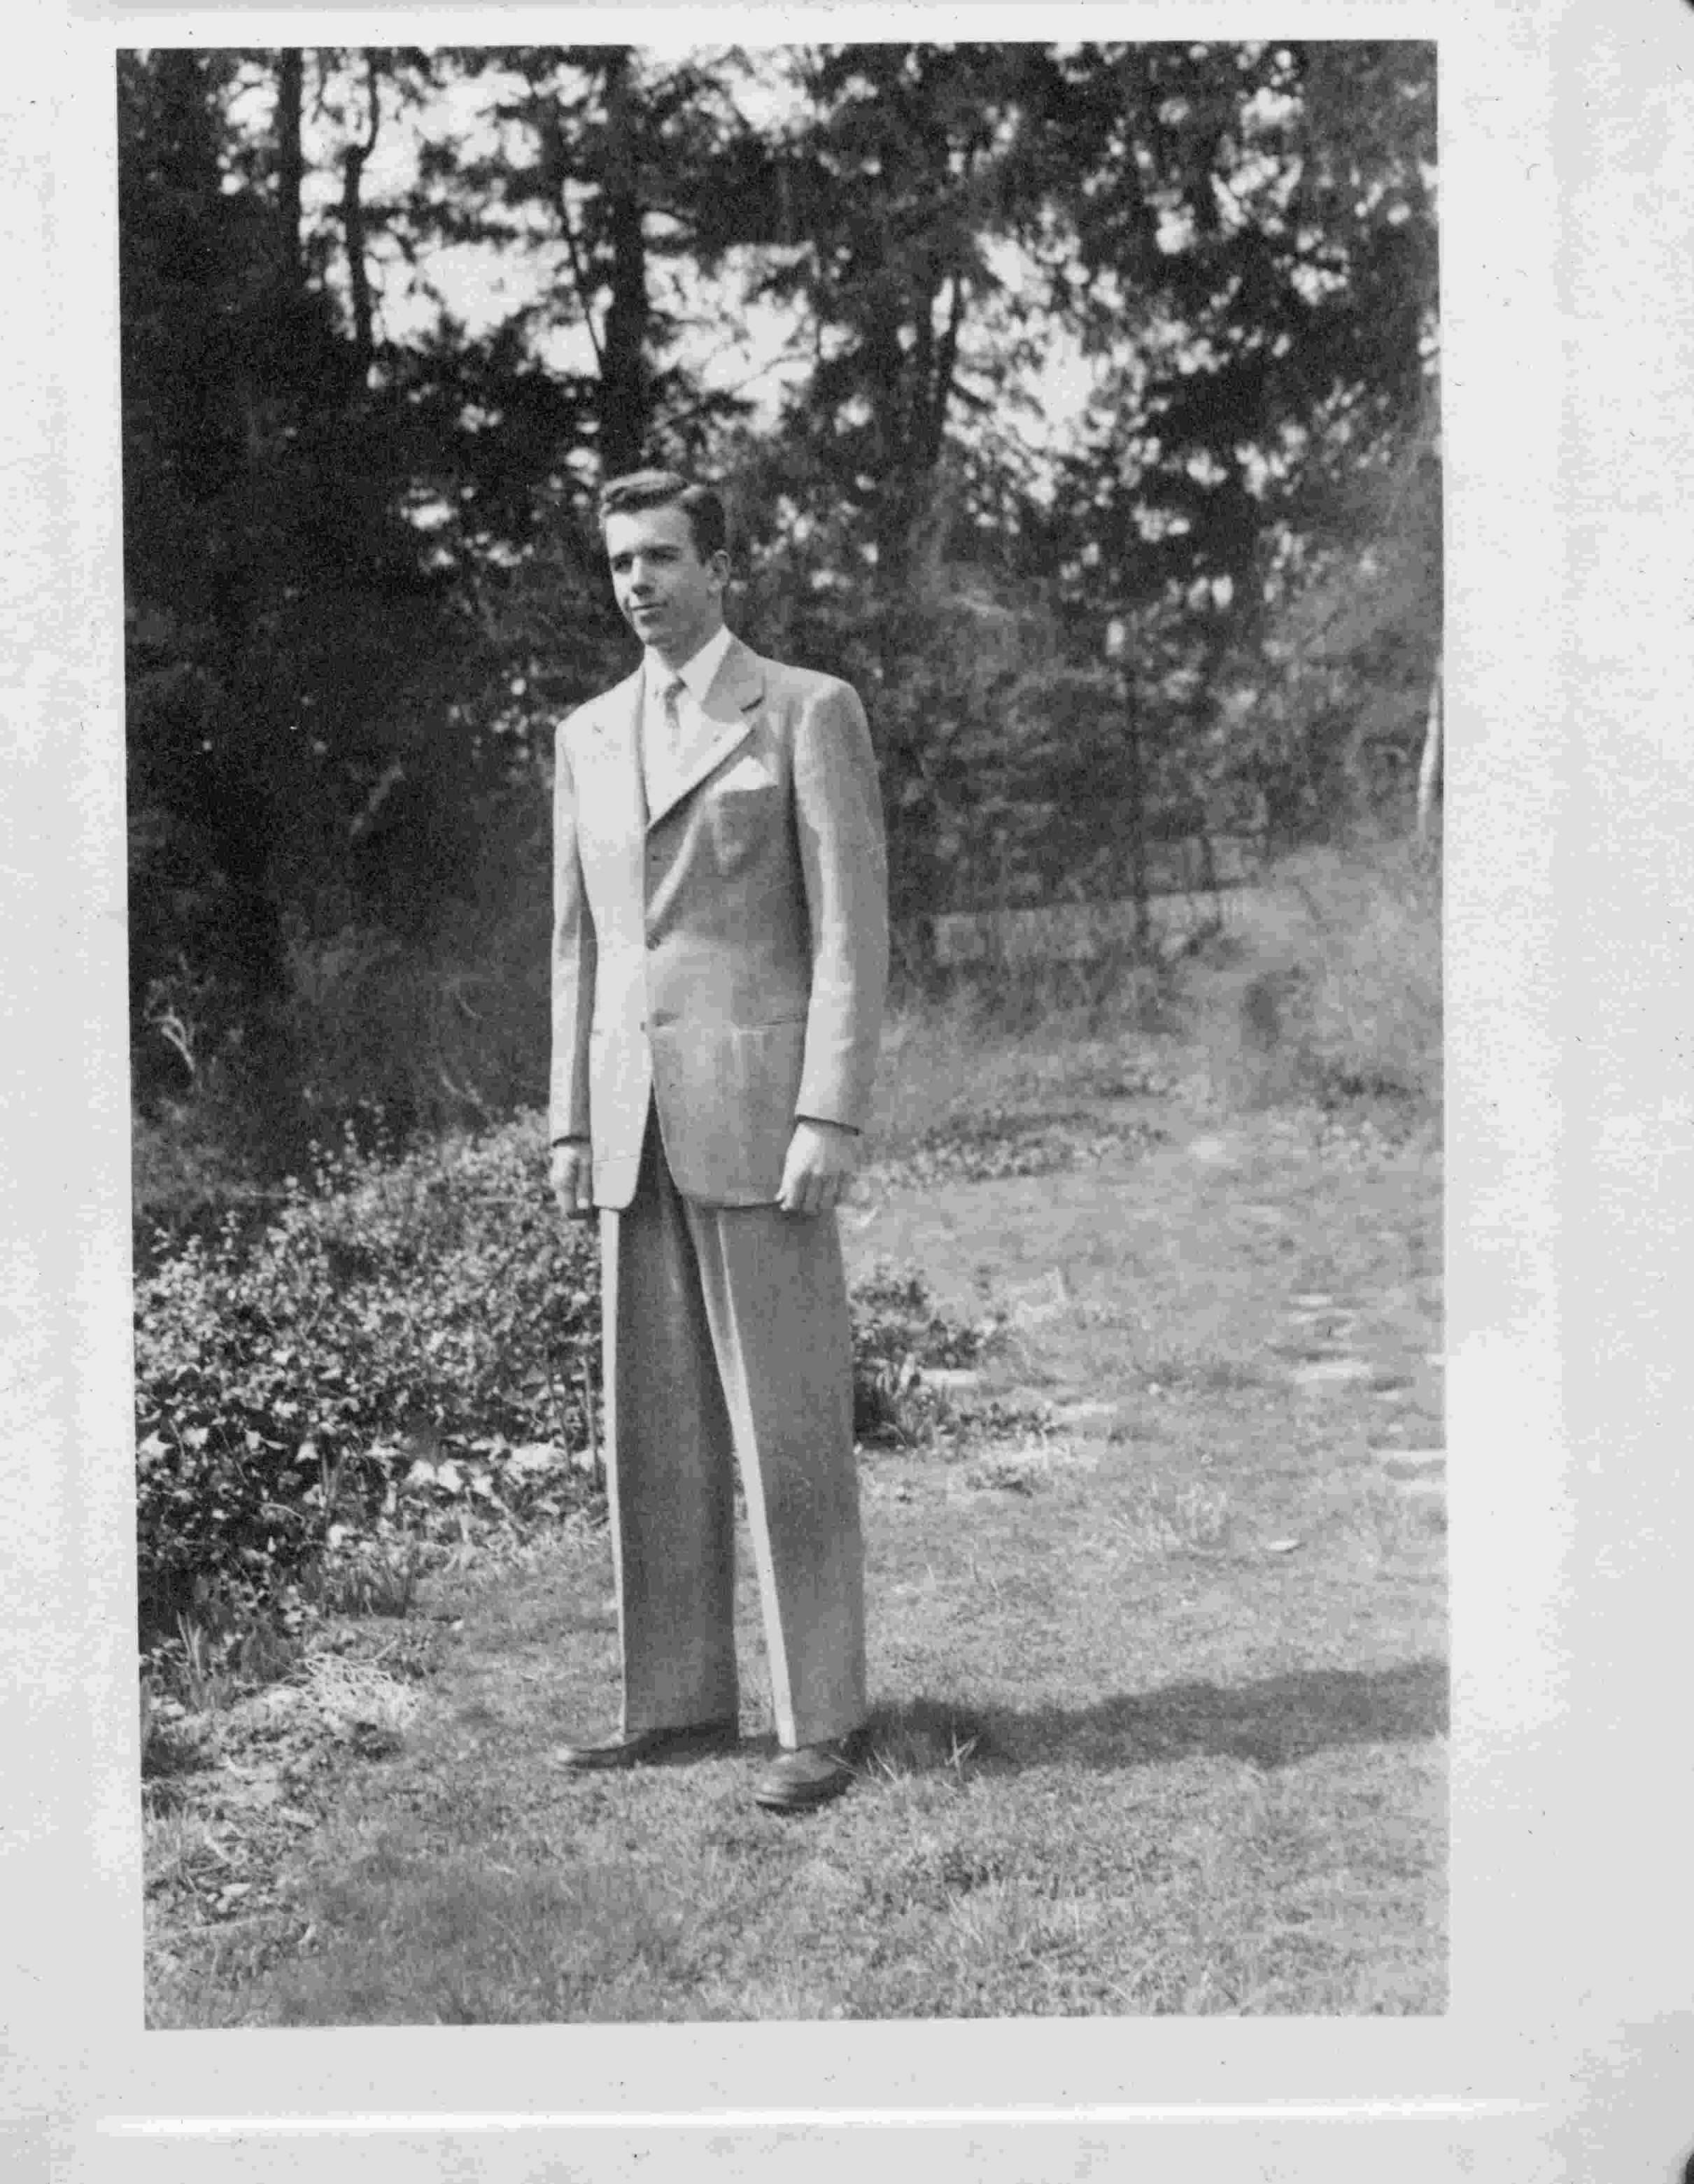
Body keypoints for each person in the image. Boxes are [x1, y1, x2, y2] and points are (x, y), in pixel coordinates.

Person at [548, 468, 889, 1813]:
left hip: (761, 1113)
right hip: (630, 1116)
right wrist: (569, 1120)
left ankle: (824, 1717)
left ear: (718, 567)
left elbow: (850, 931)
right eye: (619, 562)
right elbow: (576, 947)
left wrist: (829, 1109)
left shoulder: (804, 709)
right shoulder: (585, 735)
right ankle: (677, 1703)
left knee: (789, 1426)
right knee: (654, 1430)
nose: (637, 582)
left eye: (661, 557)